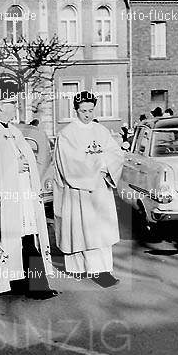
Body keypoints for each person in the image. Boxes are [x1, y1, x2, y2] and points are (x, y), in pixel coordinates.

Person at [0, 79, 57, 300]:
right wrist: (13, 166)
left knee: (27, 237)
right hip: (4, 200)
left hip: (22, 197)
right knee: (12, 240)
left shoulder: (14, 131)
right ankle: (22, 285)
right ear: (0, 106)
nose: (16, 107)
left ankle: (33, 285)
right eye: (12, 103)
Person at [53, 91, 124, 288]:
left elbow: (115, 153)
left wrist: (105, 167)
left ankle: (101, 270)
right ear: (75, 110)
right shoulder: (67, 134)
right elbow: (69, 163)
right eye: (83, 110)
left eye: (91, 110)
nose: (87, 114)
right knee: (81, 229)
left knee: (99, 231)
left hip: (100, 190)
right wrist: (97, 166)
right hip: (79, 191)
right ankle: (79, 268)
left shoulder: (101, 130)